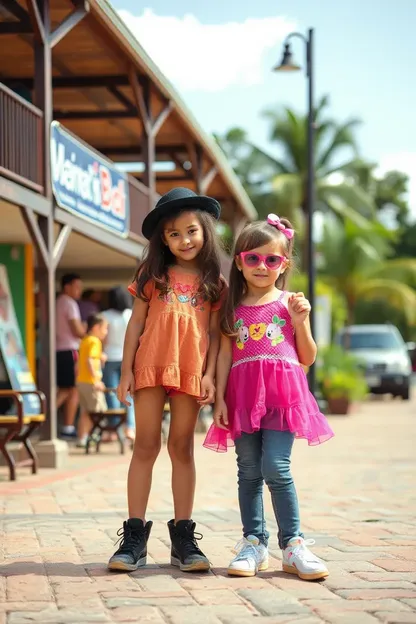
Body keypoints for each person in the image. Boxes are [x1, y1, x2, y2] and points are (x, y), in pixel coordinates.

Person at [204, 214, 334, 581]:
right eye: (253, 258)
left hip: (282, 396)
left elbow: (307, 357)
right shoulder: (232, 305)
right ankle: (253, 543)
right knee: (247, 470)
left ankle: (293, 545)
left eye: (272, 259)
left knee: (276, 467)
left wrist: (300, 322)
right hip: (242, 397)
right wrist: (221, 401)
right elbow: (225, 355)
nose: (263, 266)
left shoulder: (290, 302)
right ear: (240, 262)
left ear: (284, 264)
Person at [107, 187, 225, 573]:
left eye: (191, 230)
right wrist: (125, 371)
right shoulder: (152, 274)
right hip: (150, 365)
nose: (183, 240)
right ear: (162, 239)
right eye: (173, 234)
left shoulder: (214, 280)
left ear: (204, 231)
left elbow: (217, 335)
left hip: (191, 370)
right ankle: (135, 537)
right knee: (145, 445)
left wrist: (209, 375)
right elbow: (136, 324)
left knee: (181, 448)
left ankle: (184, 539)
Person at [101, 287, 135, 442]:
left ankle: (114, 429)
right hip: (128, 359)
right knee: (129, 394)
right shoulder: (131, 314)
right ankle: (130, 427)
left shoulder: (104, 316)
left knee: (112, 393)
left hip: (109, 358)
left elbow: (103, 340)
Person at [56, 273, 85, 439]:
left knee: (70, 389)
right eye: (76, 286)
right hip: (70, 351)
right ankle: (44, 416)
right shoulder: (69, 303)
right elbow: (77, 330)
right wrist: (87, 332)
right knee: (68, 389)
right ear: (67, 287)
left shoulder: (57, 302)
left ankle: (67, 427)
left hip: (58, 350)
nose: (79, 290)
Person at [76, 314, 109, 448]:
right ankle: (93, 434)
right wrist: (96, 380)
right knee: (98, 410)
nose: (106, 332)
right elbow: (90, 360)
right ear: (96, 327)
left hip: (81, 381)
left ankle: (82, 437)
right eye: (105, 328)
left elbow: (84, 359)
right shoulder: (95, 341)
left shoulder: (85, 340)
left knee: (85, 411)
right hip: (90, 382)